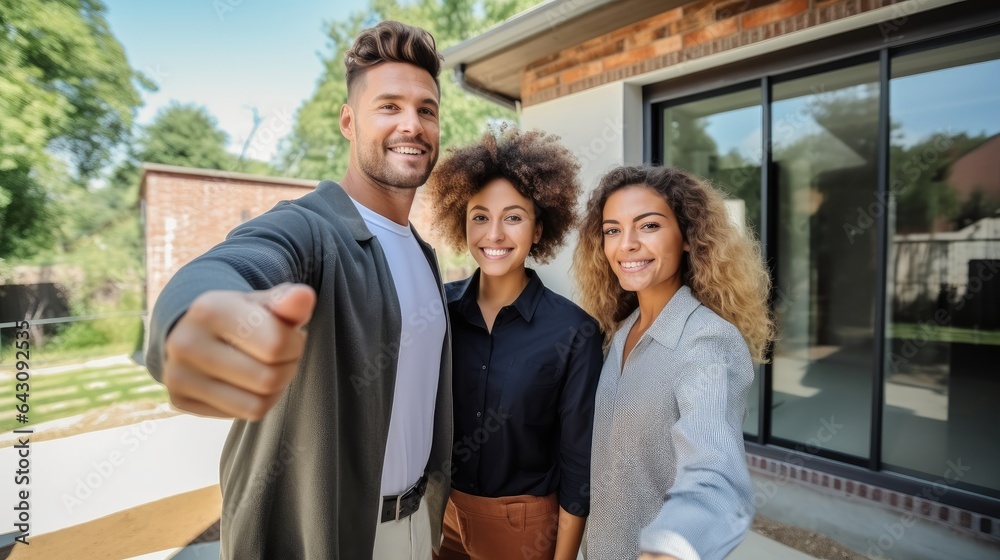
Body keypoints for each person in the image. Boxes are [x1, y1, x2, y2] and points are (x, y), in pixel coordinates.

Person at [145, 21, 453, 560]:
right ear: (348, 121)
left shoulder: (424, 256)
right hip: (324, 542)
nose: (412, 124)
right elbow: (240, 261)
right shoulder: (312, 229)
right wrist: (192, 320)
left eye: (426, 109)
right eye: (389, 107)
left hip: (414, 529)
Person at [572, 165, 775, 560]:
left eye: (648, 226)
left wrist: (674, 548)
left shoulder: (707, 342)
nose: (626, 244)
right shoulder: (616, 332)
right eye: (612, 230)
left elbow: (715, 474)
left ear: (687, 237)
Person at [422, 126, 603, 560]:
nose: (495, 234)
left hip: (523, 528)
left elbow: (578, 461)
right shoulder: (436, 312)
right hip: (440, 514)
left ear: (539, 230)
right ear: (461, 223)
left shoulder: (574, 331)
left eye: (514, 217)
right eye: (480, 216)